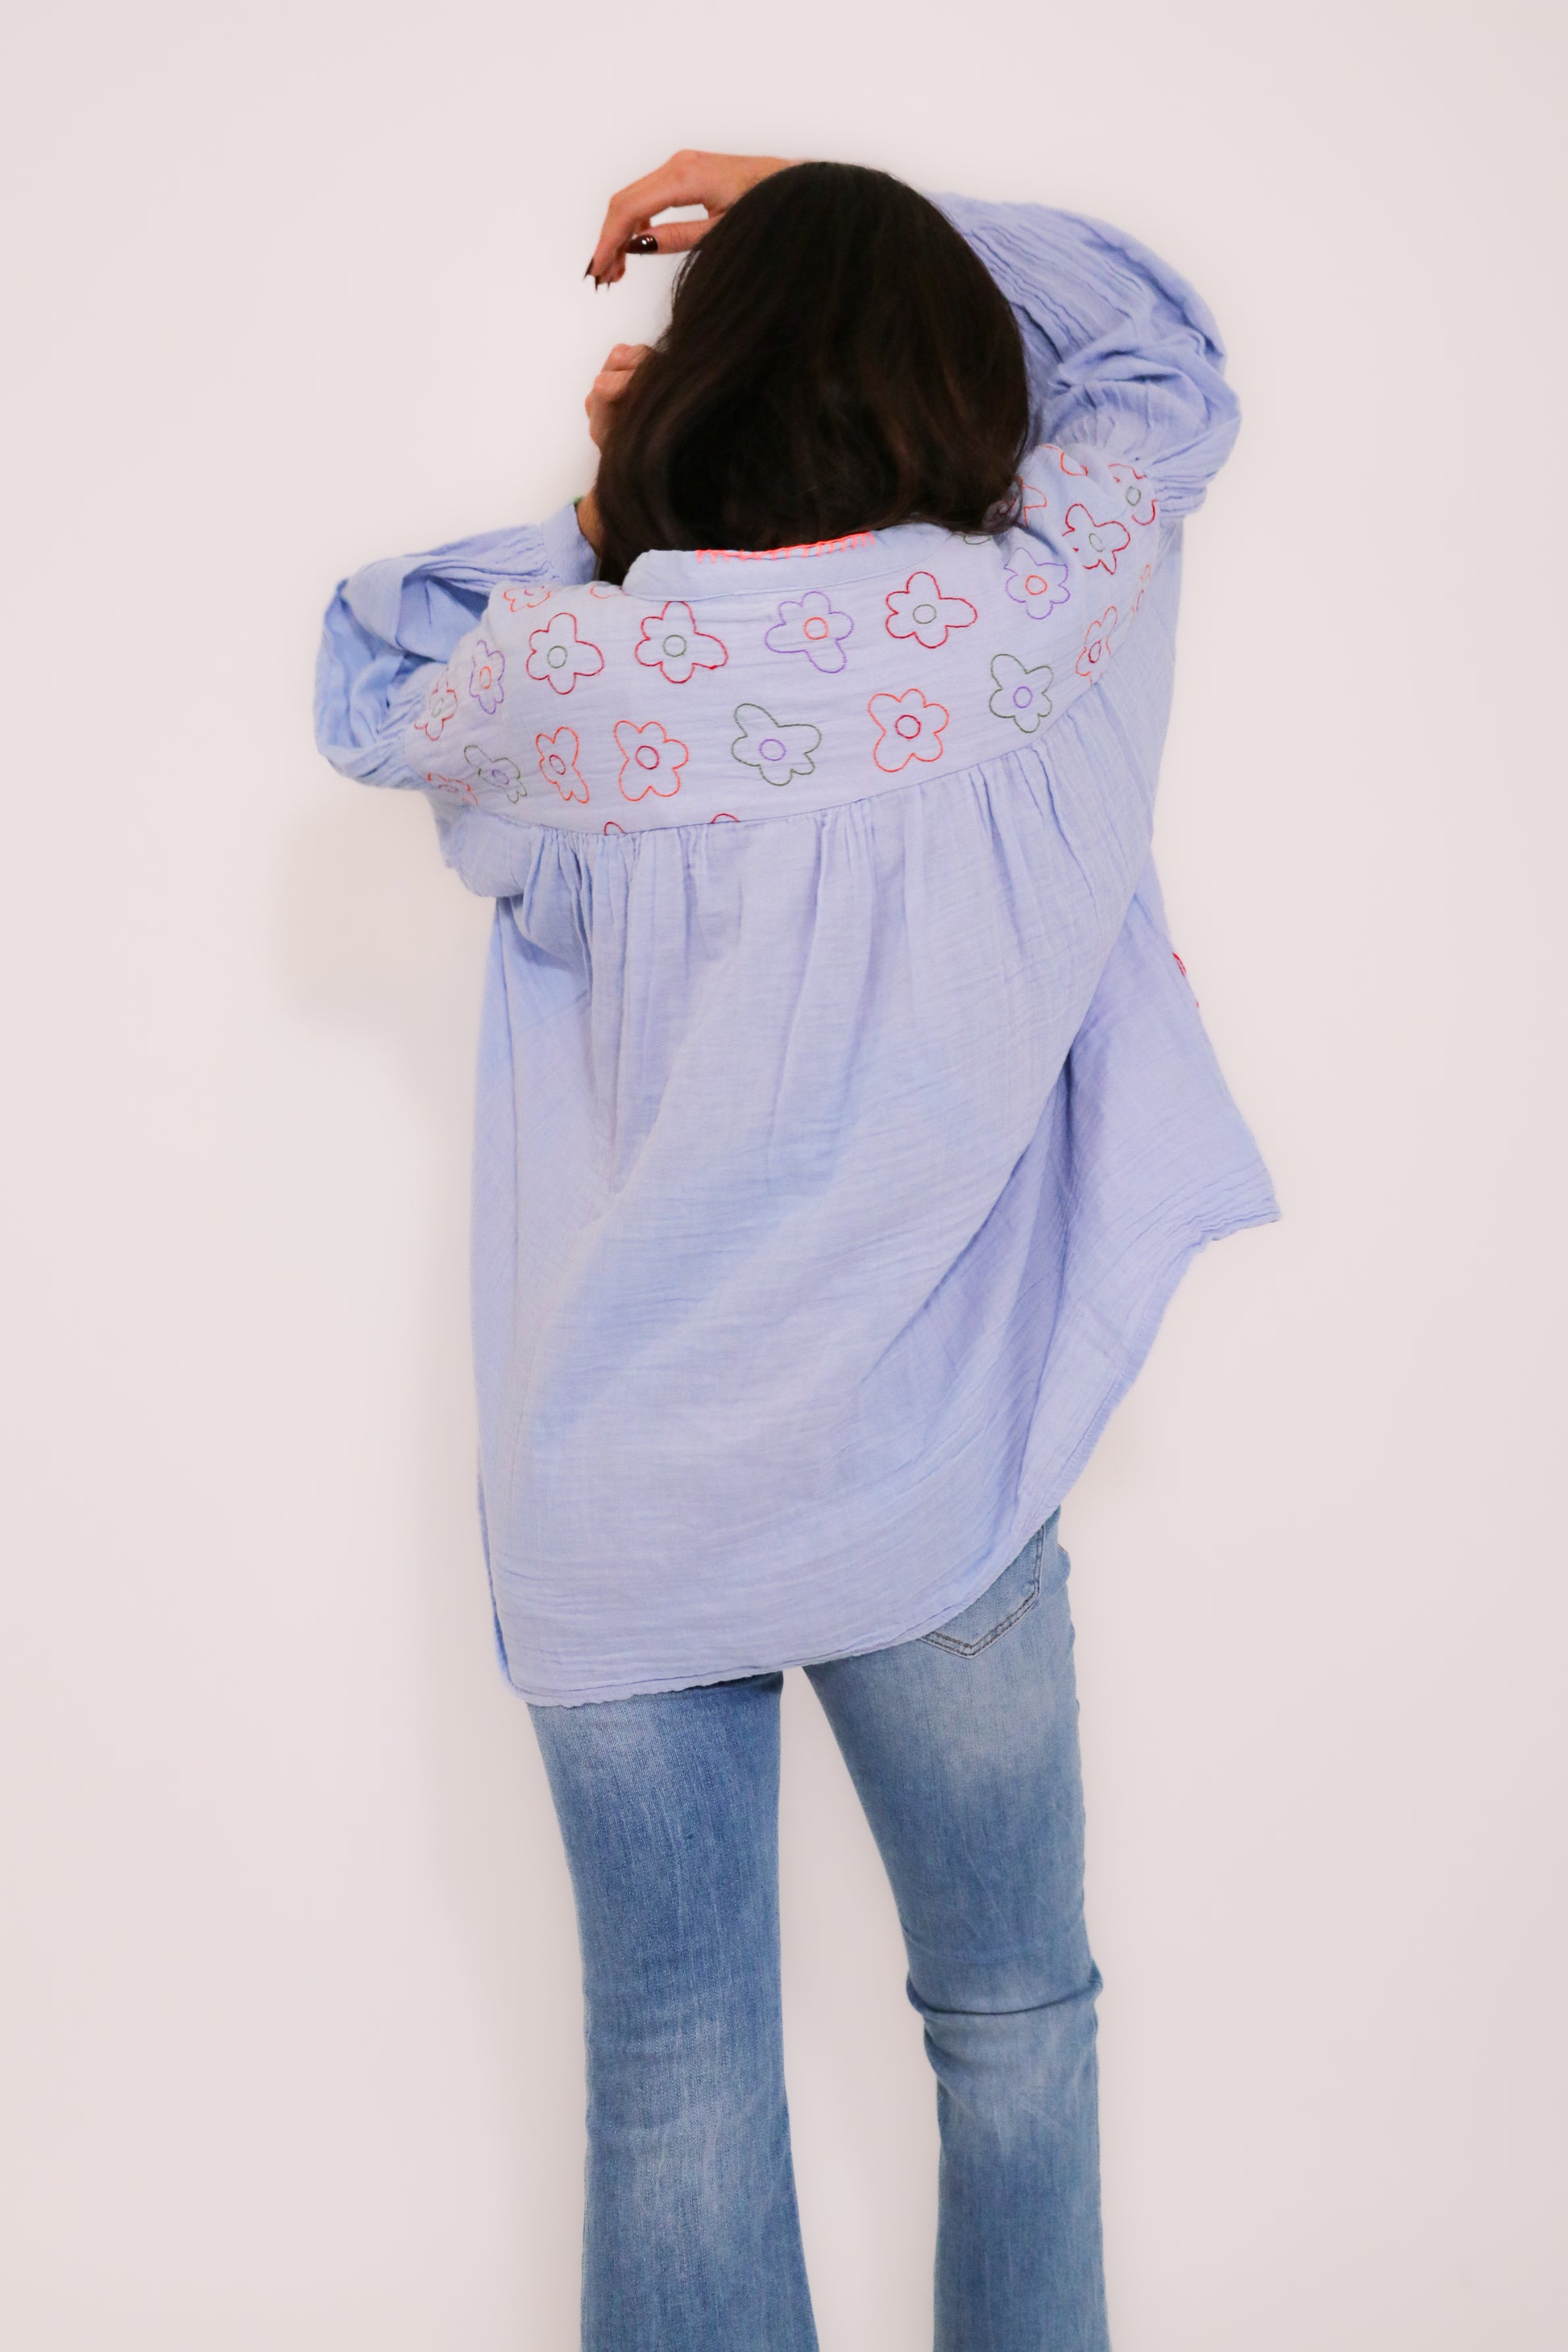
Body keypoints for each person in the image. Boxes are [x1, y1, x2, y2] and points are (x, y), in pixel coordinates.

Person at [314, 150, 1276, 2352]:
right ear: (950, 366)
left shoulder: (589, 679)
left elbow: (381, 669)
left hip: (622, 1506)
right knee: (1014, 2020)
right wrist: (833, 195)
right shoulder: (1043, 615)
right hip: (938, 1490)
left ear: (708, 375)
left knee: (675, 2073)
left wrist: (610, 503)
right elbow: (1158, 360)